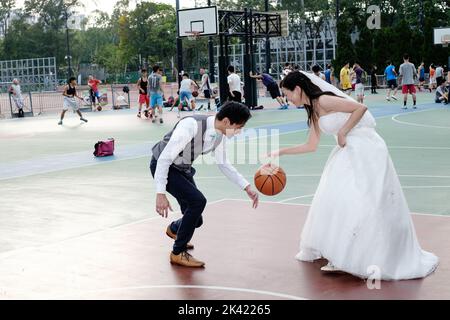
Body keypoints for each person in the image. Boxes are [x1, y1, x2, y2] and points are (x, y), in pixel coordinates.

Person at [268, 70, 438, 280]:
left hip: (365, 147)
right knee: (338, 198)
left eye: (288, 94)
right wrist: (279, 152)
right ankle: (342, 251)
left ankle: (354, 254)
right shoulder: (312, 109)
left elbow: (360, 108)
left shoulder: (324, 100)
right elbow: (311, 145)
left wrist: (342, 131)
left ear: (298, 89)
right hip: (347, 150)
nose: (287, 99)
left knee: (360, 200)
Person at [150, 102, 259, 267]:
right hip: (163, 165)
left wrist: (246, 186)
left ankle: (174, 230)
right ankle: (177, 253)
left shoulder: (219, 134)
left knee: (196, 220)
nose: (239, 131)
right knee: (198, 201)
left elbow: (224, 164)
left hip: (182, 169)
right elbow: (165, 158)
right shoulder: (191, 125)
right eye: (239, 127)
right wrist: (160, 193)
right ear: (227, 121)